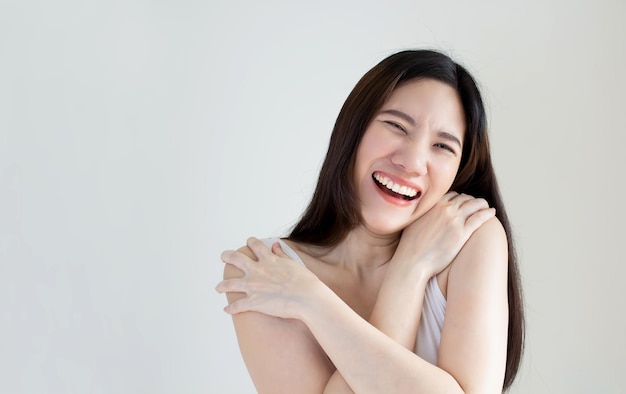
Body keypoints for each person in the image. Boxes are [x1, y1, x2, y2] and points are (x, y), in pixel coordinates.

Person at [216, 49, 524, 393]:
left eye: (442, 146)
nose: (412, 162)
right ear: (354, 129)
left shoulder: (471, 237)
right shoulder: (264, 270)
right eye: (396, 126)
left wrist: (314, 300)